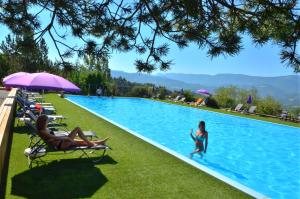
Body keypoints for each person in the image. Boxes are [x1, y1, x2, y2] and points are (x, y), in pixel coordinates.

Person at [36, 115, 109, 150]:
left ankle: (99, 142)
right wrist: (67, 138)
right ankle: (91, 143)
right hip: (60, 145)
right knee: (77, 128)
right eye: (46, 121)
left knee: (81, 142)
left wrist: (65, 138)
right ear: (43, 122)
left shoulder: (44, 128)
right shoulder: (42, 131)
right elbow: (53, 138)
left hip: (61, 142)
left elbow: (52, 138)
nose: (47, 122)